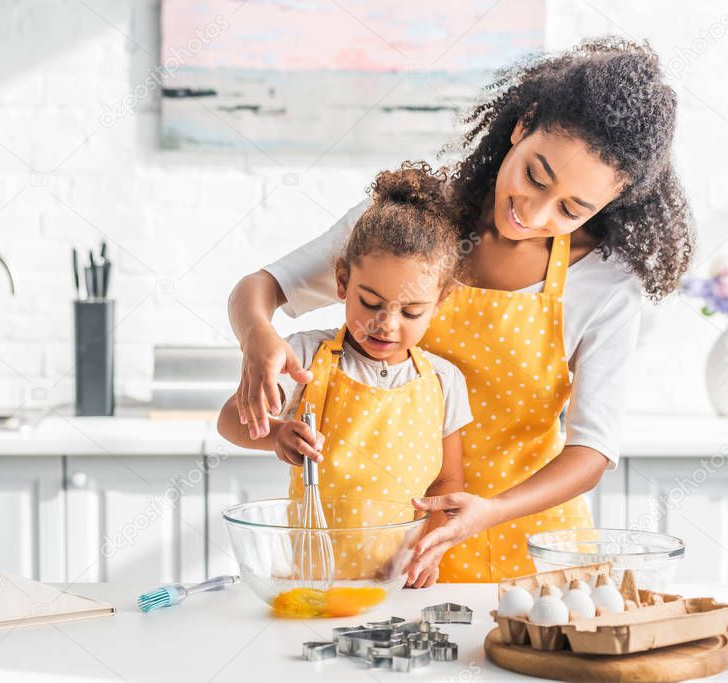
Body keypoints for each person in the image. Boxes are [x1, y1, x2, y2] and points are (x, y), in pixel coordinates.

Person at [226, 37, 694, 583]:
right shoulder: (406, 225)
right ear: (523, 124)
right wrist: (257, 335)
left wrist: (489, 511)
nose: (534, 211)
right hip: (391, 550)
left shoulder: (605, 282)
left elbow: (592, 450)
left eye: (571, 208)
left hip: (534, 551)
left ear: (611, 202)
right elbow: (260, 288)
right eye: (536, 176)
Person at [217, 163, 473, 587]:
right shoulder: (305, 358)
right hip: (313, 583)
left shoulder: (445, 381)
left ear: (440, 301)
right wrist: (276, 433)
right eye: (370, 302)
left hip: (399, 587)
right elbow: (230, 421)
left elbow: (448, 481)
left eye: (411, 312)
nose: (386, 324)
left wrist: (429, 551)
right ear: (341, 281)